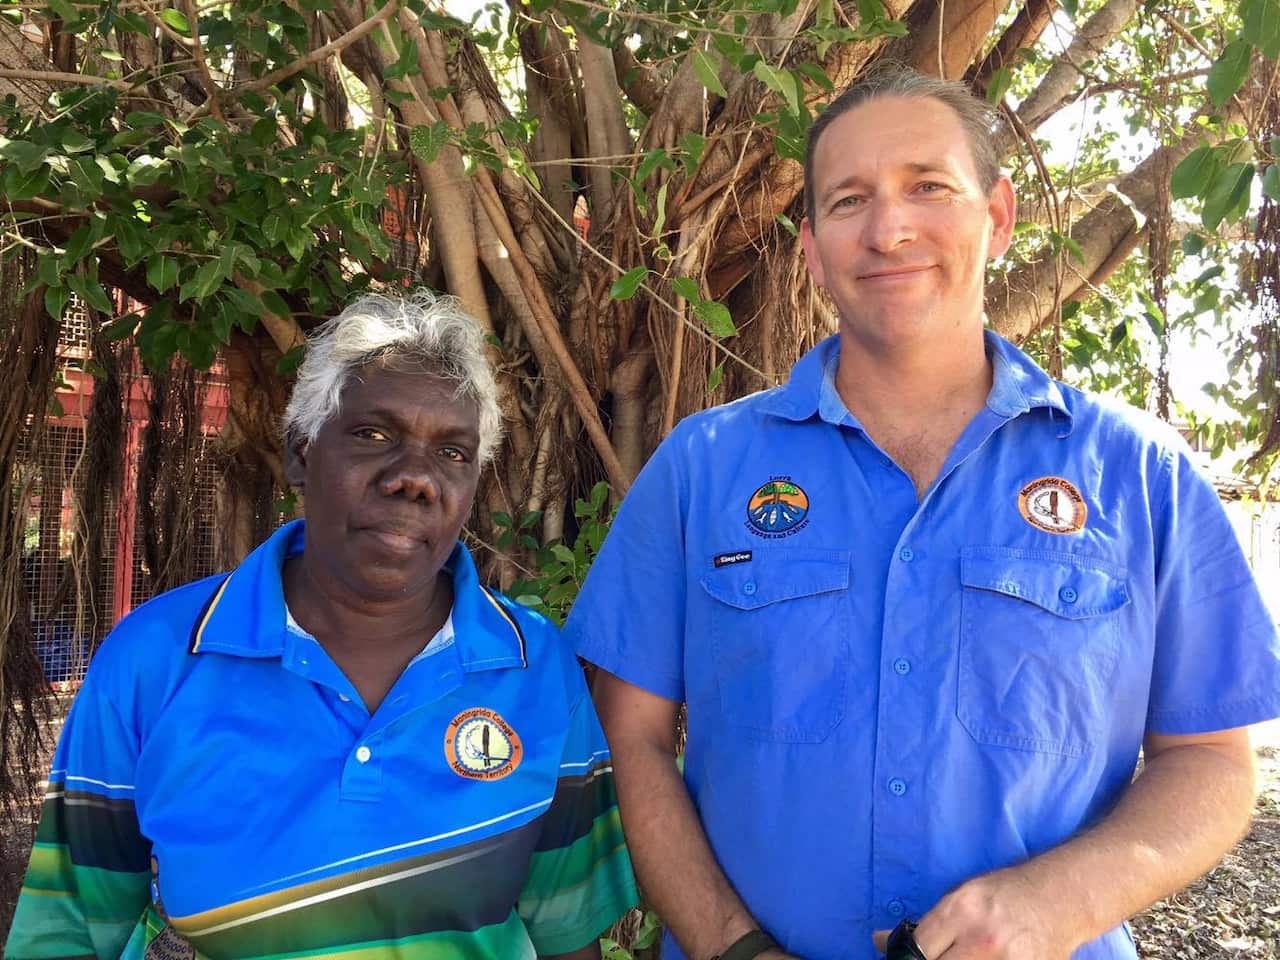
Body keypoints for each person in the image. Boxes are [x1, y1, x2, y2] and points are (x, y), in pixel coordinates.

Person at [563, 63, 1280, 960]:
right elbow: (628, 740)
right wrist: (733, 946)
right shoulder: (701, 470)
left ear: (999, 215)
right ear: (812, 248)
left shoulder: (1142, 475)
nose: (889, 229)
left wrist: (1057, 904)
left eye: (928, 186)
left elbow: (1211, 762)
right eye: (849, 200)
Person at [7, 290, 637, 959]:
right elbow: (71, 930)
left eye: (453, 452)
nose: (415, 479)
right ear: (301, 454)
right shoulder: (157, 658)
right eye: (374, 435)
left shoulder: (533, 667)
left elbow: (568, 934)